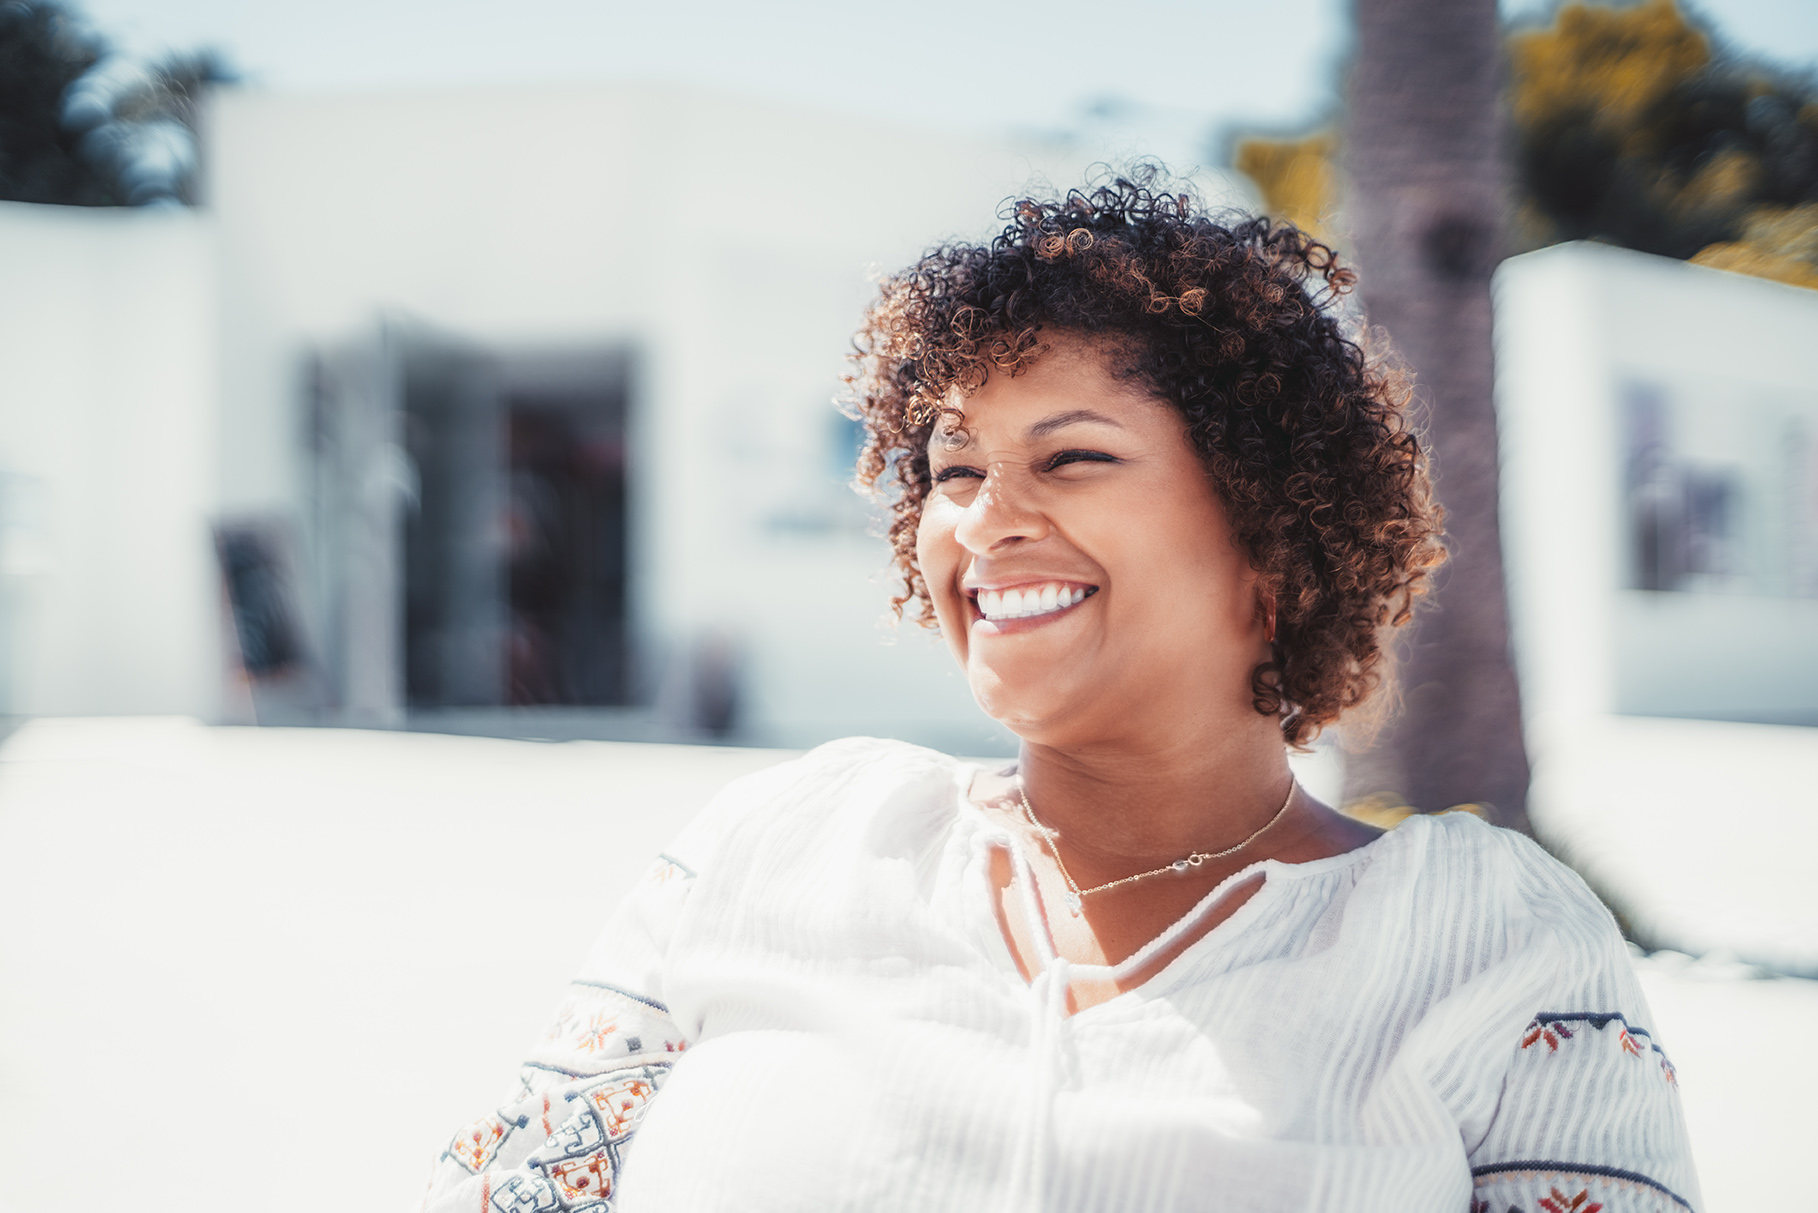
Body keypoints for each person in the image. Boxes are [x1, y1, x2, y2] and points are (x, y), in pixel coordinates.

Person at [419, 171, 1699, 1213]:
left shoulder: (1489, 944)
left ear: (1274, 540)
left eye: (1072, 456)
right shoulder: (780, 845)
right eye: (954, 468)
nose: (985, 521)